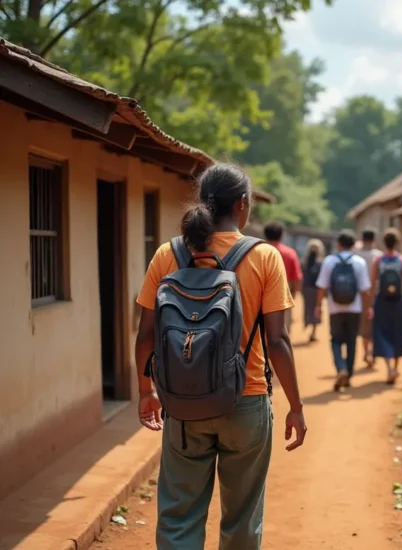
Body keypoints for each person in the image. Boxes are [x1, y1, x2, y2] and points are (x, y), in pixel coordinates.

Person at [134, 163, 307, 549]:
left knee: (179, 516)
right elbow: (277, 341)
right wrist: (296, 405)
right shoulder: (264, 258)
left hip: (182, 403)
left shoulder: (168, 254)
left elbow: (146, 334)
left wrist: (147, 391)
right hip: (245, 401)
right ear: (243, 204)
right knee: (242, 517)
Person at [314, 229, 371, 391]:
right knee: (352, 341)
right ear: (353, 245)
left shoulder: (329, 261)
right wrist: (368, 308)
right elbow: (365, 289)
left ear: (338, 244)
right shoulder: (359, 262)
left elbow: (322, 287)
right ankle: (349, 375)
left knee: (336, 340)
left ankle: (341, 368)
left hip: (335, 308)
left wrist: (318, 306)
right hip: (355, 309)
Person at [368, 228, 402, 384]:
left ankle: (389, 367)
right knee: (398, 333)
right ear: (398, 242)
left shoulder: (378, 261)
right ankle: (395, 367)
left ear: (384, 242)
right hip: (398, 302)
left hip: (382, 301)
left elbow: (372, 284)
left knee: (382, 332)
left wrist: (370, 305)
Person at [264, 221, 302, 334]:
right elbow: (297, 277)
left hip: (261, 294)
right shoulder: (290, 253)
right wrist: (294, 294)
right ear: (281, 235)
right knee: (282, 331)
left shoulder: (257, 251)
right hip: (283, 295)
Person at [354, 228, 383, 367]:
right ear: (374, 240)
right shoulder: (379, 256)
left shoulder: (356, 255)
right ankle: (373, 352)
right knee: (376, 325)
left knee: (365, 326)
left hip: (360, 297)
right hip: (377, 295)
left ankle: (366, 352)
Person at [301, 238, 325, 343]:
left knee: (307, 308)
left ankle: (307, 322)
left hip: (306, 288)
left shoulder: (304, 262)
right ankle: (313, 332)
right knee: (317, 308)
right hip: (317, 289)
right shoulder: (321, 263)